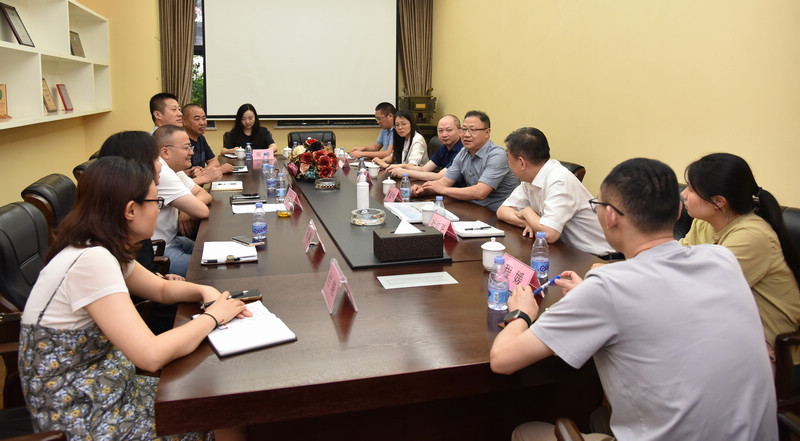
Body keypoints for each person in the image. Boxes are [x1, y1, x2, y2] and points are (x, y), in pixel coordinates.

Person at [489, 158, 777, 441]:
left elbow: (503, 360)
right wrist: (589, 297)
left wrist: (522, 313)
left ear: (610, 217)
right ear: (679, 210)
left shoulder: (606, 288)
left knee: (523, 430)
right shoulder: (722, 259)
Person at [18, 156, 250, 440]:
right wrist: (212, 317)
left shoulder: (100, 247)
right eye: (156, 202)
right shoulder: (92, 261)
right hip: (86, 413)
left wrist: (205, 292)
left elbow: (160, 289)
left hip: (109, 388)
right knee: (219, 408)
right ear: (130, 210)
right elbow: (151, 355)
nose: (159, 210)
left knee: (216, 398)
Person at [680, 153, 800, 368]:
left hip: (768, 348)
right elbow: (676, 261)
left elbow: (701, 290)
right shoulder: (703, 223)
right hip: (724, 334)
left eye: (690, 189)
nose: (683, 194)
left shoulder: (752, 236)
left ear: (718, 201)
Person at [497, 127, 617, 258]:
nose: (509, 166)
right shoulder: (530, 179)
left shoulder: (559, 180)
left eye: (509, 161)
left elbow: (549, 234)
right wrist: (529, 223)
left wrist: (527, 213)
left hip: (597, 257)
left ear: (521, 163)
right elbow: (502, 211)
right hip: (567, 252)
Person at [411, 110, 519, 211]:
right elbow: (444, 182)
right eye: (464, 129)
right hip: (475, 208)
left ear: (487, 132)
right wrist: (423, 189)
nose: (466, 134)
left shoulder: (497, 155)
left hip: (498, 213)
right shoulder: (463, 152)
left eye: (473, 130)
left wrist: (442, 189)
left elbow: (480, 192)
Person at [152, 125, 212, 277]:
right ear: (166, 152)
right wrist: (189, 207)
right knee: (211, 271)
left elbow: (203, 194)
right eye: (186, 148)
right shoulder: (162, 171)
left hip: (173, 240)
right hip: (160, 249)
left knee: (215, 252)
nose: (191, 152)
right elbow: (202, 211)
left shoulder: (174, 168)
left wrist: (185, 209)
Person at [386, 114, 464, 181]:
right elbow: (424, 169)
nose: (444, 134)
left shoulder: (462, 150)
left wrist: (405, 172)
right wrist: (400, 167)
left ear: (460, 131)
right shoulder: (444, 148)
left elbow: (440, 176)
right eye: (440, 130)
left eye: (449, 130)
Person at [182, 103, 234, 184]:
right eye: (197, 119)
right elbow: (183, 176)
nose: (202, 123)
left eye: (204, 119)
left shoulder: (201, 138)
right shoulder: (180, 141)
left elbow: (214, 161)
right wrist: (219, 170)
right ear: (184, 120)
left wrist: (205, 171)